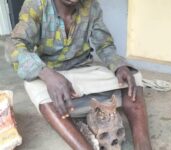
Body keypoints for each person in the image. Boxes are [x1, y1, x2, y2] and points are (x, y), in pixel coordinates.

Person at [6, 0, 152, 149]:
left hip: (83, 69)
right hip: (50, 74)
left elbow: (104, 45)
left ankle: (143, 145)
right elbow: (13, 45)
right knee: (36, 88)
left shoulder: (91, 6)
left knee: (133, 77)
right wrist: (47, 75)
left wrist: (119, 66)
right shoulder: (36, 4)